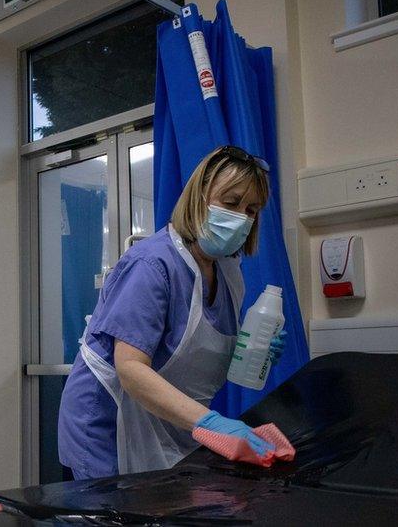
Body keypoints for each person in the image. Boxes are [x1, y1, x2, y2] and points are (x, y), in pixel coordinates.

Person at [58, 145, 286, 479]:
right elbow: (131, 368)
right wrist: (210, 423)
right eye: (232, 202)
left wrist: (251, 352)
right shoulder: (151, 264)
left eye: (252, 210)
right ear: (198, 197)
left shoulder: (228, 272)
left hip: (166, 420)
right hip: (109, 422)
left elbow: (192, 350)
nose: (242, 218)